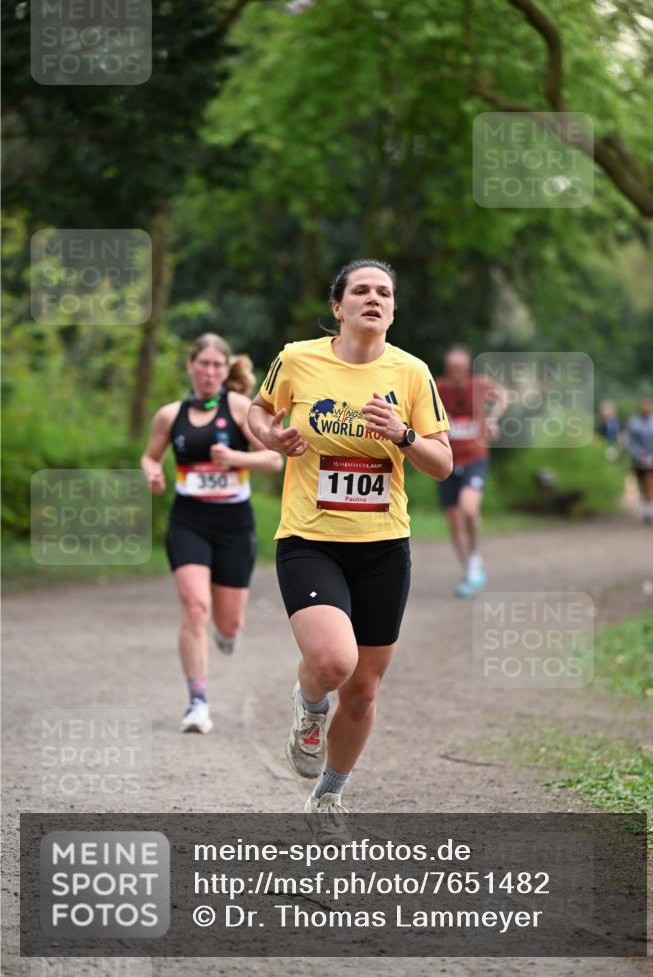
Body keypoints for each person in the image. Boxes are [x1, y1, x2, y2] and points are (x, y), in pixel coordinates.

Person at [248, 259, 452, 842]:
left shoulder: (412, 373)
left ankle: (329, 792)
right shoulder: (297, 358)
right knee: (335, 664)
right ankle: (310, 703)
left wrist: (403, 434)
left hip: (384, 546)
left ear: (392, 308)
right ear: (338, 306)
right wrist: (272, 436)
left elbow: (443, 464)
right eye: (360, 290)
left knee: (363, 692)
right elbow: (258, 412)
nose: (374, 298)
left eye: (384, 291)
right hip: (310, 538)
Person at [141, 333, 282, 733]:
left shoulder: (239, 408)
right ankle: (197, 703)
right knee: (195, 608)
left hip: (234, 525)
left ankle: (227, 634)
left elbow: (274, 460)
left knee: (229, 623)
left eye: (217, 365)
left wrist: (234, 458)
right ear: (190, 366)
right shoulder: (170, 415)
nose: (209, 372)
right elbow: (150, 456)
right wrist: (150, 471)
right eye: (202, 364)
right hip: (189, 522)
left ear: (225, 369)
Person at [435, 347, 507, 598]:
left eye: (461, 368)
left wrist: (492, 419)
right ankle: (470, 569)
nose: (456, 373)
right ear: (447, 368)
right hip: (446, 461)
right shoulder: (438, 387)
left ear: (467, 368)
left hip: (475, 457)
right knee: (454, 523)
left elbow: (502, 397)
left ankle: (475, 558)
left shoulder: (479, 384)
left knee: (469, 508)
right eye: (452, 368)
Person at [623, 397, 653, 525]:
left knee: (650, 481)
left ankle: (649, 511)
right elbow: (630, 441)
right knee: (642, 483)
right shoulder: (633, 422)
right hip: (639, 457)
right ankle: (646, 503)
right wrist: (638, 454)